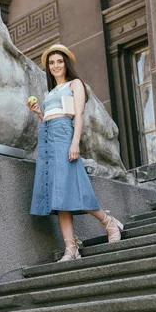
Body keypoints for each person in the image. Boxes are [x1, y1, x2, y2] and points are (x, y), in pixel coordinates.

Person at [27, 44, 124, 262]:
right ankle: (71, 249)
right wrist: (40, 114)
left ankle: (108, 221)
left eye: (59, 61)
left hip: (64, 135)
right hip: (47, 136)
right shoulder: (50, 92)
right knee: (57, 193)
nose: (55, 66)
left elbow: (77, 114)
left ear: (66, 63)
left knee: (71, 184)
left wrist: (75, 143)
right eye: (51, 63)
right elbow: (54, 116)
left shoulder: (75, 84)